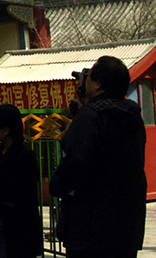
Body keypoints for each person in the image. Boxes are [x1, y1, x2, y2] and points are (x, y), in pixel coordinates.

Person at [50, 55, 147, 258]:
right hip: (126, 229)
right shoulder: (133, 117)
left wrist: (57, 184)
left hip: (90, 232)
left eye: (89, 77)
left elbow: (76, 166)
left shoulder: (90, 117)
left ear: (97, 85)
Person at [0, 103, 43, 258]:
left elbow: (16, 194)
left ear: (6, 130)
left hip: (21, 227)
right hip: (0, 223)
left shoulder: (25, 156)